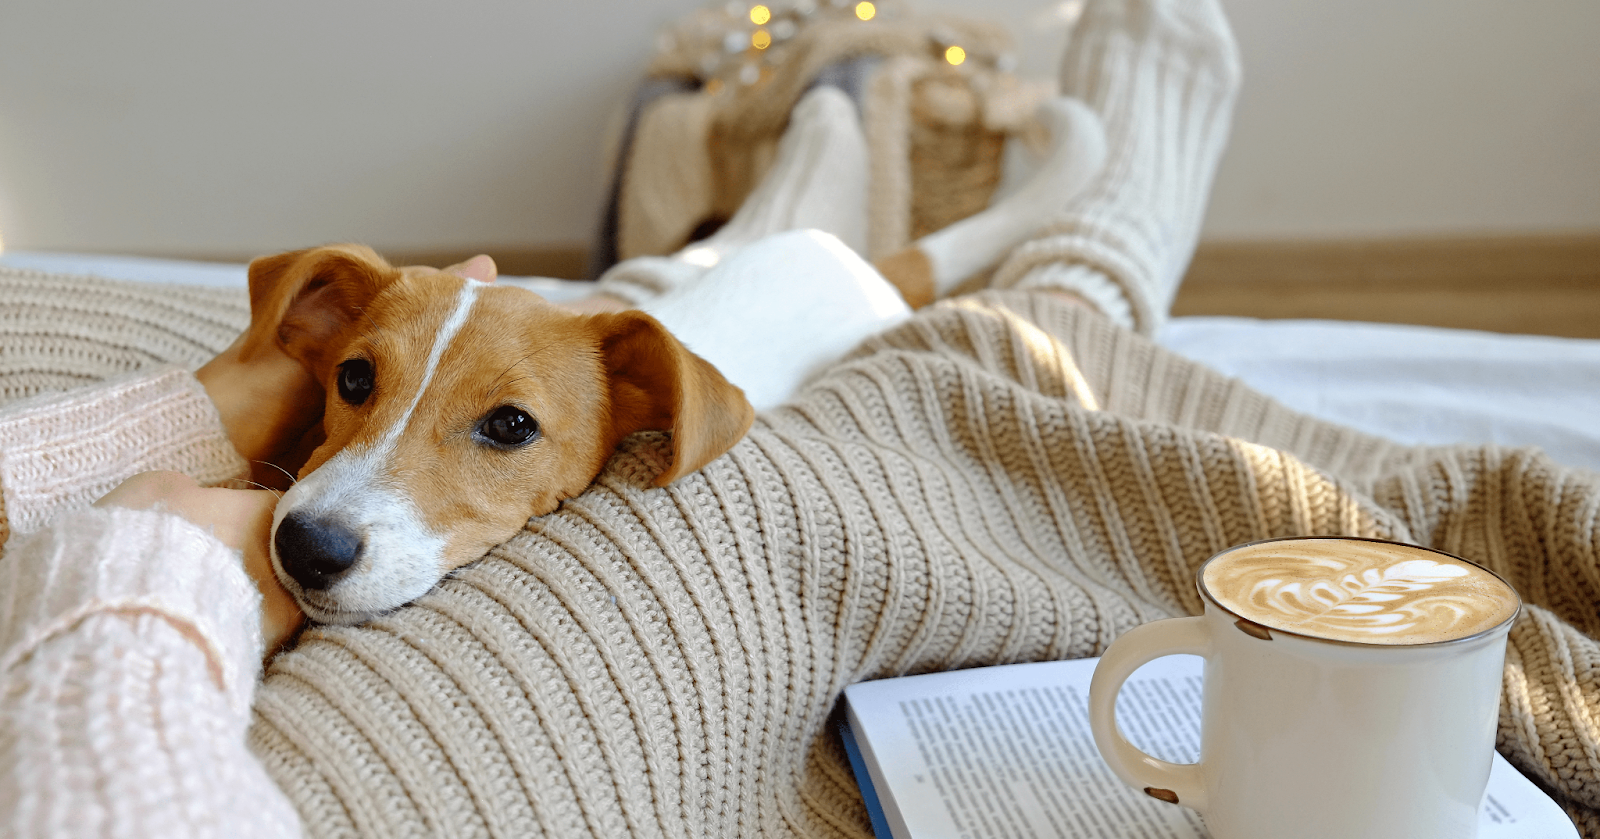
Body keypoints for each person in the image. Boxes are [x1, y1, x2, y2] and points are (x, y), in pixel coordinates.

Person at [5, 1, 1600, 837]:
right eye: (351, 388)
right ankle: (914, 147)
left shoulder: (597, 381)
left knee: (782, 263)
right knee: (1016, 321)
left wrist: (168, 472)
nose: (340, 484)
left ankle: (834, 128)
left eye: (472, 431)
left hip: (665, 330)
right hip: (724, 372)